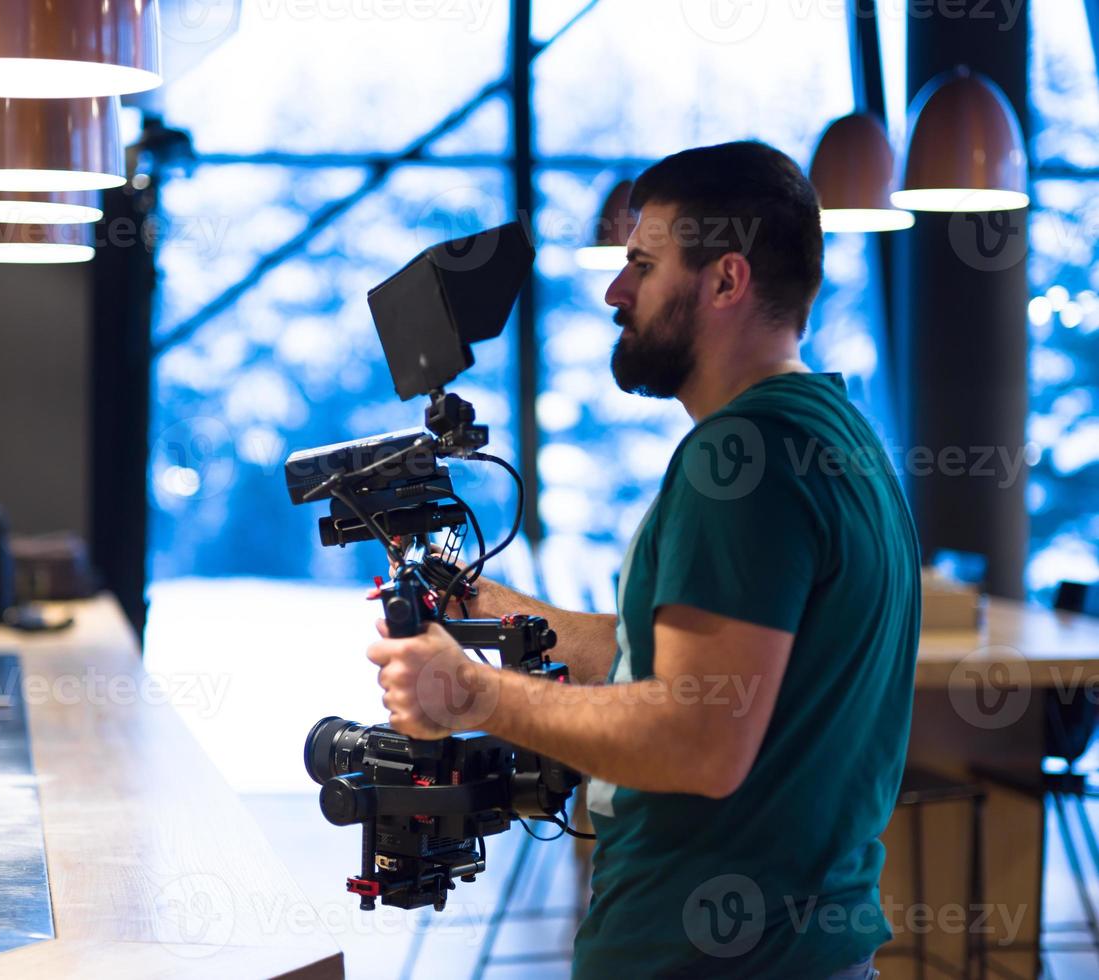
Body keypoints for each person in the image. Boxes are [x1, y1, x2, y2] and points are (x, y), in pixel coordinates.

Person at [367, 140, 920, 978]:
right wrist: (488, 604)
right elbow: (681, 667)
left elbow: (696, 739)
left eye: (641, 263)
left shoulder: (739, 459)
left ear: (726, 280)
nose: (612, 291)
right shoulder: (830, 432)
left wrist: (470, 692)